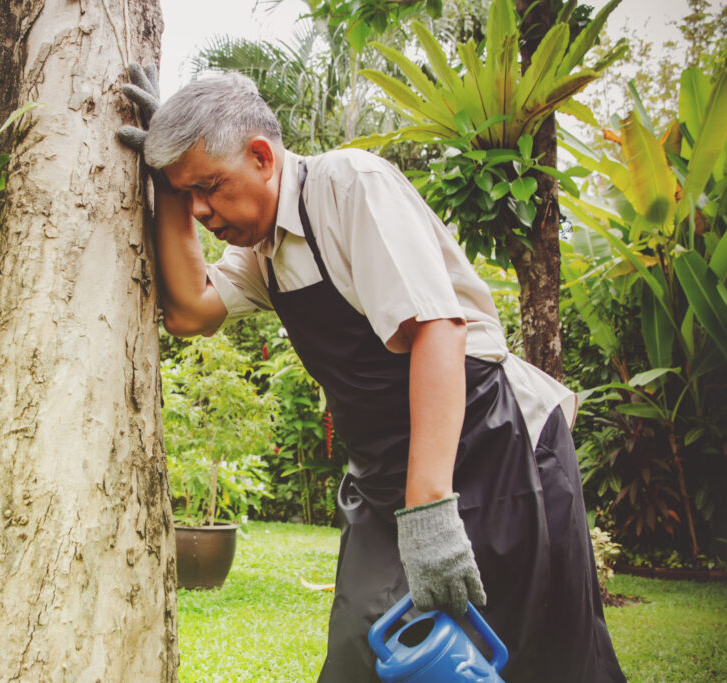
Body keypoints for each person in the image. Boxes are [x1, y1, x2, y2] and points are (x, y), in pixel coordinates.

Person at [118, 64, 624, 683]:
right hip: (387, 471)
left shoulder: (348, 186)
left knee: (527, 655)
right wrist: (166, 183)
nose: (202, 210)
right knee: (363, 654)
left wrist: (431, 516)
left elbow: (438, 328)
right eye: (188, 193)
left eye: (210, 186)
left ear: (261, 157)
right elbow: (191, 310)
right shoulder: (261, 251)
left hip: (491, 446)